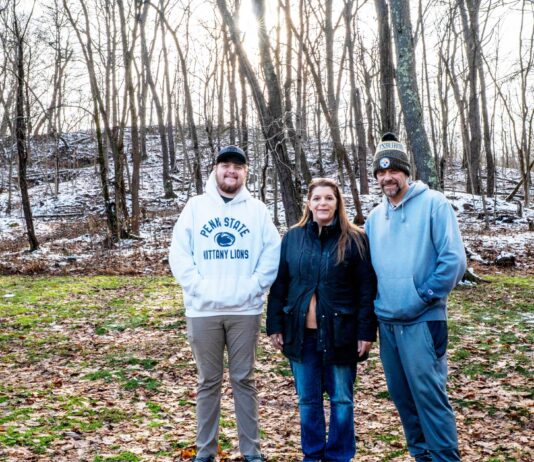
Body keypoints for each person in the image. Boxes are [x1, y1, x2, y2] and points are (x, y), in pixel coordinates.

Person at [169, 145, 281, 462]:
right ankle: (205, 452)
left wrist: (254, 287)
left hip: (244, 311)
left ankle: (252, 452)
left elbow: (272, 252)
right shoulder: (196, 207)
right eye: (226, 166)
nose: (231, 171)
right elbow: (179, 254)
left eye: (238, 167)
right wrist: (200, 288)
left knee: (244, 380)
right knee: (208, 382)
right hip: (203, 310)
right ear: (215, 169)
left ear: (246, 173)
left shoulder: (256, 210)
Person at [365, 133, 466, 462]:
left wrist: (423, 295)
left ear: (406, 172)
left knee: (429, 398)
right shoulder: (374, 219)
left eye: (393, 170)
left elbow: (453, 261)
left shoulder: (434, 204)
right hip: (388, 325)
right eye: (380, 172)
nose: (387, 177)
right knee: (403, 400)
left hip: (423, 321)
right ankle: (422, 456)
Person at [266, 177, 377, 462]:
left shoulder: (354, 238)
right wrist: (275, 324)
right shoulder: (293, 237)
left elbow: (366, 289)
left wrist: (366, 332)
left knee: (341, 399)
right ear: (309, 203)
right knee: (308, 400)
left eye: (329, 198)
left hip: (341, 333)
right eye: (317, 198)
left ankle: (339, 456)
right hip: (301, 334)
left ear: (337, 203)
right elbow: (281, 284)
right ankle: (313, 455)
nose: (323, 203)